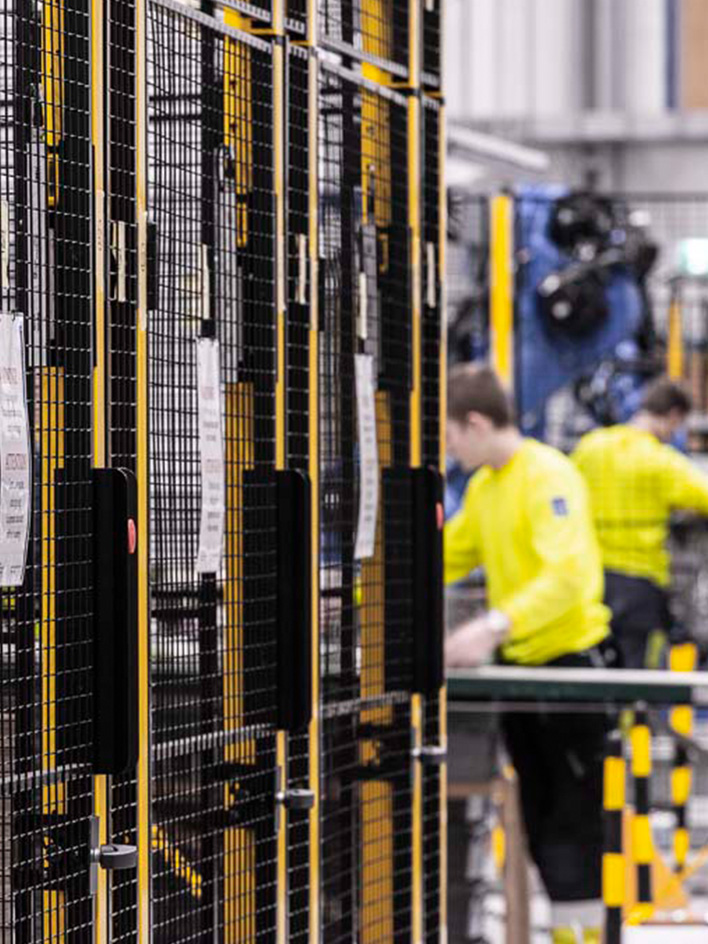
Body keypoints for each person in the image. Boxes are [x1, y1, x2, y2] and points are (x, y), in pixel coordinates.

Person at [444, 364, 610, 944]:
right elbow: (443, 555)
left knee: (572, 826)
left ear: (476, 421)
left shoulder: (547, 475)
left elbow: (568, 576)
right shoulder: (488, 488)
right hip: (522, 675)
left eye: (451, 435)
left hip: (570, 675)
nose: (450, 448)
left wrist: (492, 625)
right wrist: (350, 592)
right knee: (541, 824)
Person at [573, 377, 708, 669]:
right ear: (672, 416)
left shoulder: (590, 448)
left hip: (590, 582)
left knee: (597, 671)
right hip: (640, 587)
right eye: (677, 426)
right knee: (637, 679)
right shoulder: (661, 461)